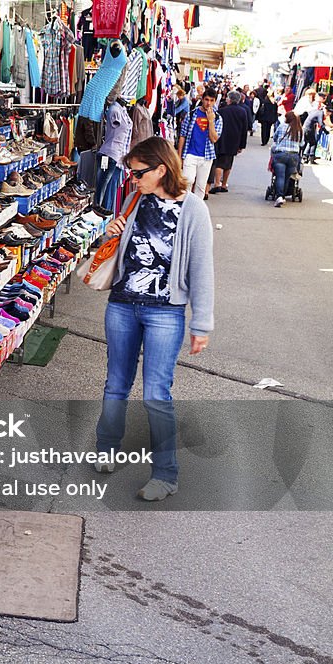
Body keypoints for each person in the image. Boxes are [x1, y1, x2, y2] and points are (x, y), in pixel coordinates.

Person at [95, 137, 214, 502]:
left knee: (156, 394)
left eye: (138, 172)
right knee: (116, 383)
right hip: (122, 304)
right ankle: (107, 447)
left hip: (165, 312)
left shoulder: (193, 208)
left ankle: (165, 474)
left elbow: (202, 268)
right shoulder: (134, 200)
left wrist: (201, 323)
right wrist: (110, 231)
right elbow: (117, 251)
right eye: (131, 172)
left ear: (162, 169)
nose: (132, 178)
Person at [177, 87, 222, 198]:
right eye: (206, 99)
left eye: (212, 100)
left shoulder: (218, 118)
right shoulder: (192, 114)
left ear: (215, 101)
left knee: (201, 186)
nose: (208, 103)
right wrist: (179, 156)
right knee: (188, 181)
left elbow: (214, 139)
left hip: (207, 156)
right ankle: (184, 206)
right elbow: (182, 135)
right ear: (202, 99)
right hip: (190, 153)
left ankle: (197, 211)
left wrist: (210, 120)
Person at [207, 90, 249, 194]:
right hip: (235, 139)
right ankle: (224, 184)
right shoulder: (242, 111)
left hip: (222, 138)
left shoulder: (222, 111)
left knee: (219, 162)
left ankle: (217, 183)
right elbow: (244, 129)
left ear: (229, 99)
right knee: (229, 162)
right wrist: (242, 145)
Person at [270, 110, 303, 208]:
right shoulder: (299, 129)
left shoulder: (282, 126)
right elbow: (302, 144)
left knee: (280, 176)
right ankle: (283, 195)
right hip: (293, 156)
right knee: (287, 177)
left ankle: (279, 196)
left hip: (281, 154)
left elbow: (275, 138)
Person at [301, 95, 328, 163]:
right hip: (309, 128)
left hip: (306, 126)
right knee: (313, 142)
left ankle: (305, 156)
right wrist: (326, 131)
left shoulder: (315, 111)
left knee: (309, 142)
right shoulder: (320, 113)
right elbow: (321, 123)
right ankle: (311, 158)